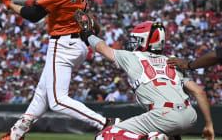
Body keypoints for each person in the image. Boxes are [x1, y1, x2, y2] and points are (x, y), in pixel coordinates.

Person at [0, 0, 119, 140]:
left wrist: (8, 4)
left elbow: (33, 14)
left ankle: (105, 123)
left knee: (57, 101)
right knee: (42, 94)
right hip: (78, 43)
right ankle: (16, 133)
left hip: (62, 44)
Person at [73, 11, 214, 140]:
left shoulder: (133, 57)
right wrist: (208, 124)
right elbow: (199, 92)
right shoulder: (173, 61)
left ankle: (149, 139)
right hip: (189, 116)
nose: (133, 42)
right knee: (170, 133)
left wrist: (88, 34)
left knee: (105, 136)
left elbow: (102, 48)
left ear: (144, 40)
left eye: (135, 39)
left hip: (163, 115)